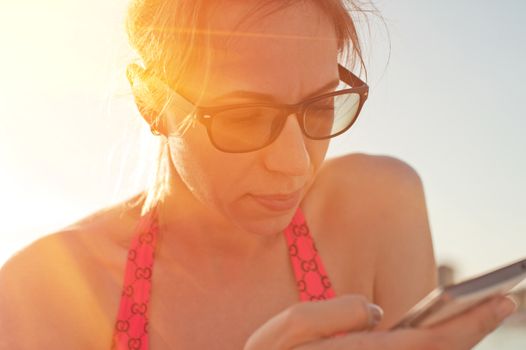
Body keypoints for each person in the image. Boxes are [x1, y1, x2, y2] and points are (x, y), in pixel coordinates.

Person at [0, 0, 517, 349]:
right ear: (151, 101)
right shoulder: (43, 292)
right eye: (243, 117)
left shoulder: (378, 208)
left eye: (319, 108)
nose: (294, 165)